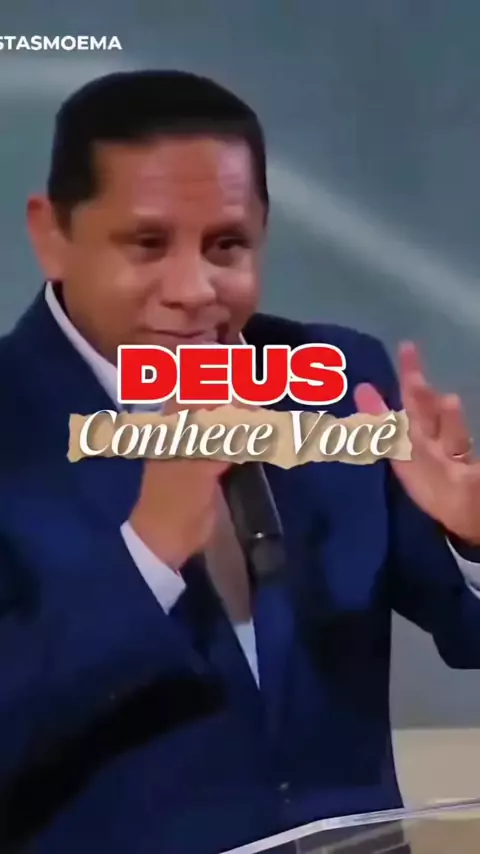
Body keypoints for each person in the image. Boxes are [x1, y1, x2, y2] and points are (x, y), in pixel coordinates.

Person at [1, 69, 480, 854]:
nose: (196, 290)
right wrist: (147, 552)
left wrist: (471, 537)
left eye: (226, 245)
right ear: (51, 233)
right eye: (148, 244)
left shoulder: (340, 381)